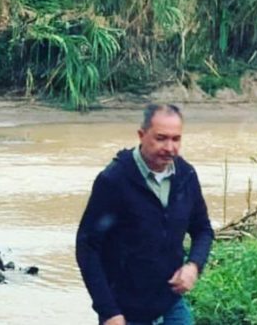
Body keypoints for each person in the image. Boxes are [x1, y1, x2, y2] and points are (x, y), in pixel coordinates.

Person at [76, 104, 214, 325]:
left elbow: (203, 229)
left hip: (170, 304)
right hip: (124, 310)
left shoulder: (186, 175)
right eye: (161, 138)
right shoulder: (114, 181)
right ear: (141, 135)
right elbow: (87, 247)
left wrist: (193, 265)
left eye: (176, 139)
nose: (170, 147)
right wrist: (108, 311)